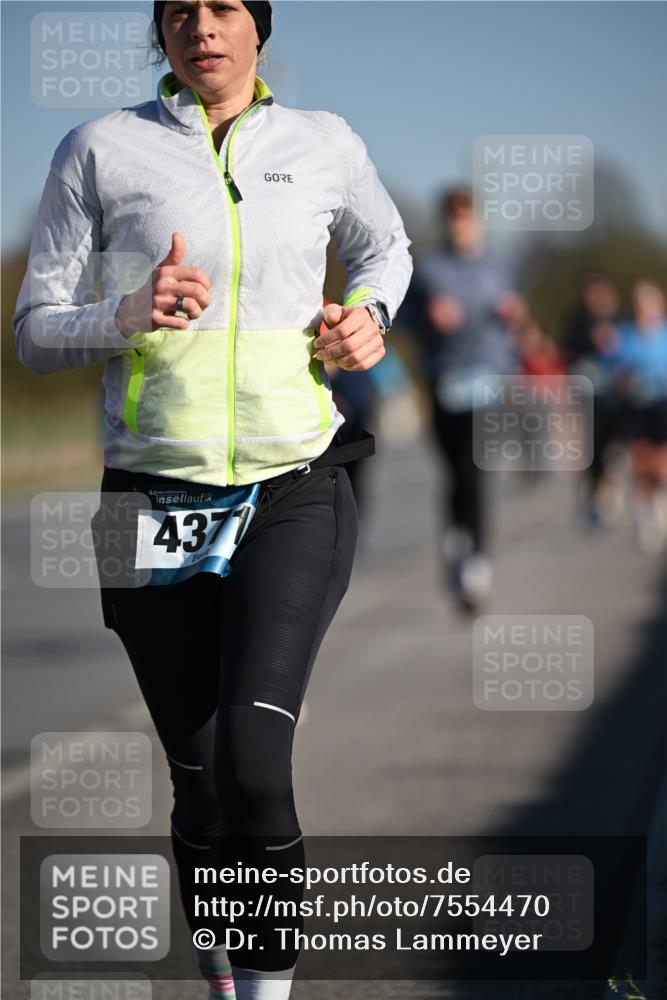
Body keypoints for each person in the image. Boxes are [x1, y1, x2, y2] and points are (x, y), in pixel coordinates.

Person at [13, 3, 413, 998]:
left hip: (293, 485)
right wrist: (126, 311)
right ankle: (226, 970)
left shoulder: (323, 144)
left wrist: (366, 319)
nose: (202, 26)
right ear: (162, 30)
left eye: (224, 7)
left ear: (257, 27)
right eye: (180, 10)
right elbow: (33, 329)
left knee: (252, 761)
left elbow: (386, 254)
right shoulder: (100, 150)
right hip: (149, 497)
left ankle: (268, 990)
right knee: (197, 784)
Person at [401, 186, 525, 610]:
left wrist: (514, 314)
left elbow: (520, 320)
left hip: (490, 380)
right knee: (454, 471)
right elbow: (402, 318)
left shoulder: (500, 267)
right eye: (454, 217)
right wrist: (429, 318)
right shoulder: (430, 269)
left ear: (480, 221)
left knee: (476, 470)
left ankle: (477, 561)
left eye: (467, 216)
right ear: (446, 222)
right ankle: (456, 541)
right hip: (445, 380)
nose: (461, 225)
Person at [611, 281, 667, 552]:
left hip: (662, 403)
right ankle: (645, 509)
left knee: (661, 460)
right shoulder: (625, 335)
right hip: (635, 404)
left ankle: (657, 499)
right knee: (640, 459)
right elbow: (616, 370)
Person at [566, 273, 624, 528]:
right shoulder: (578, 322)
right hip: (587, 393)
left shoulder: (620, 322)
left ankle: (608, 486)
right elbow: (567, 354)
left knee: (614, 445)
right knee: (592, 447)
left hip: (615, 394)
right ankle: (595, 495)